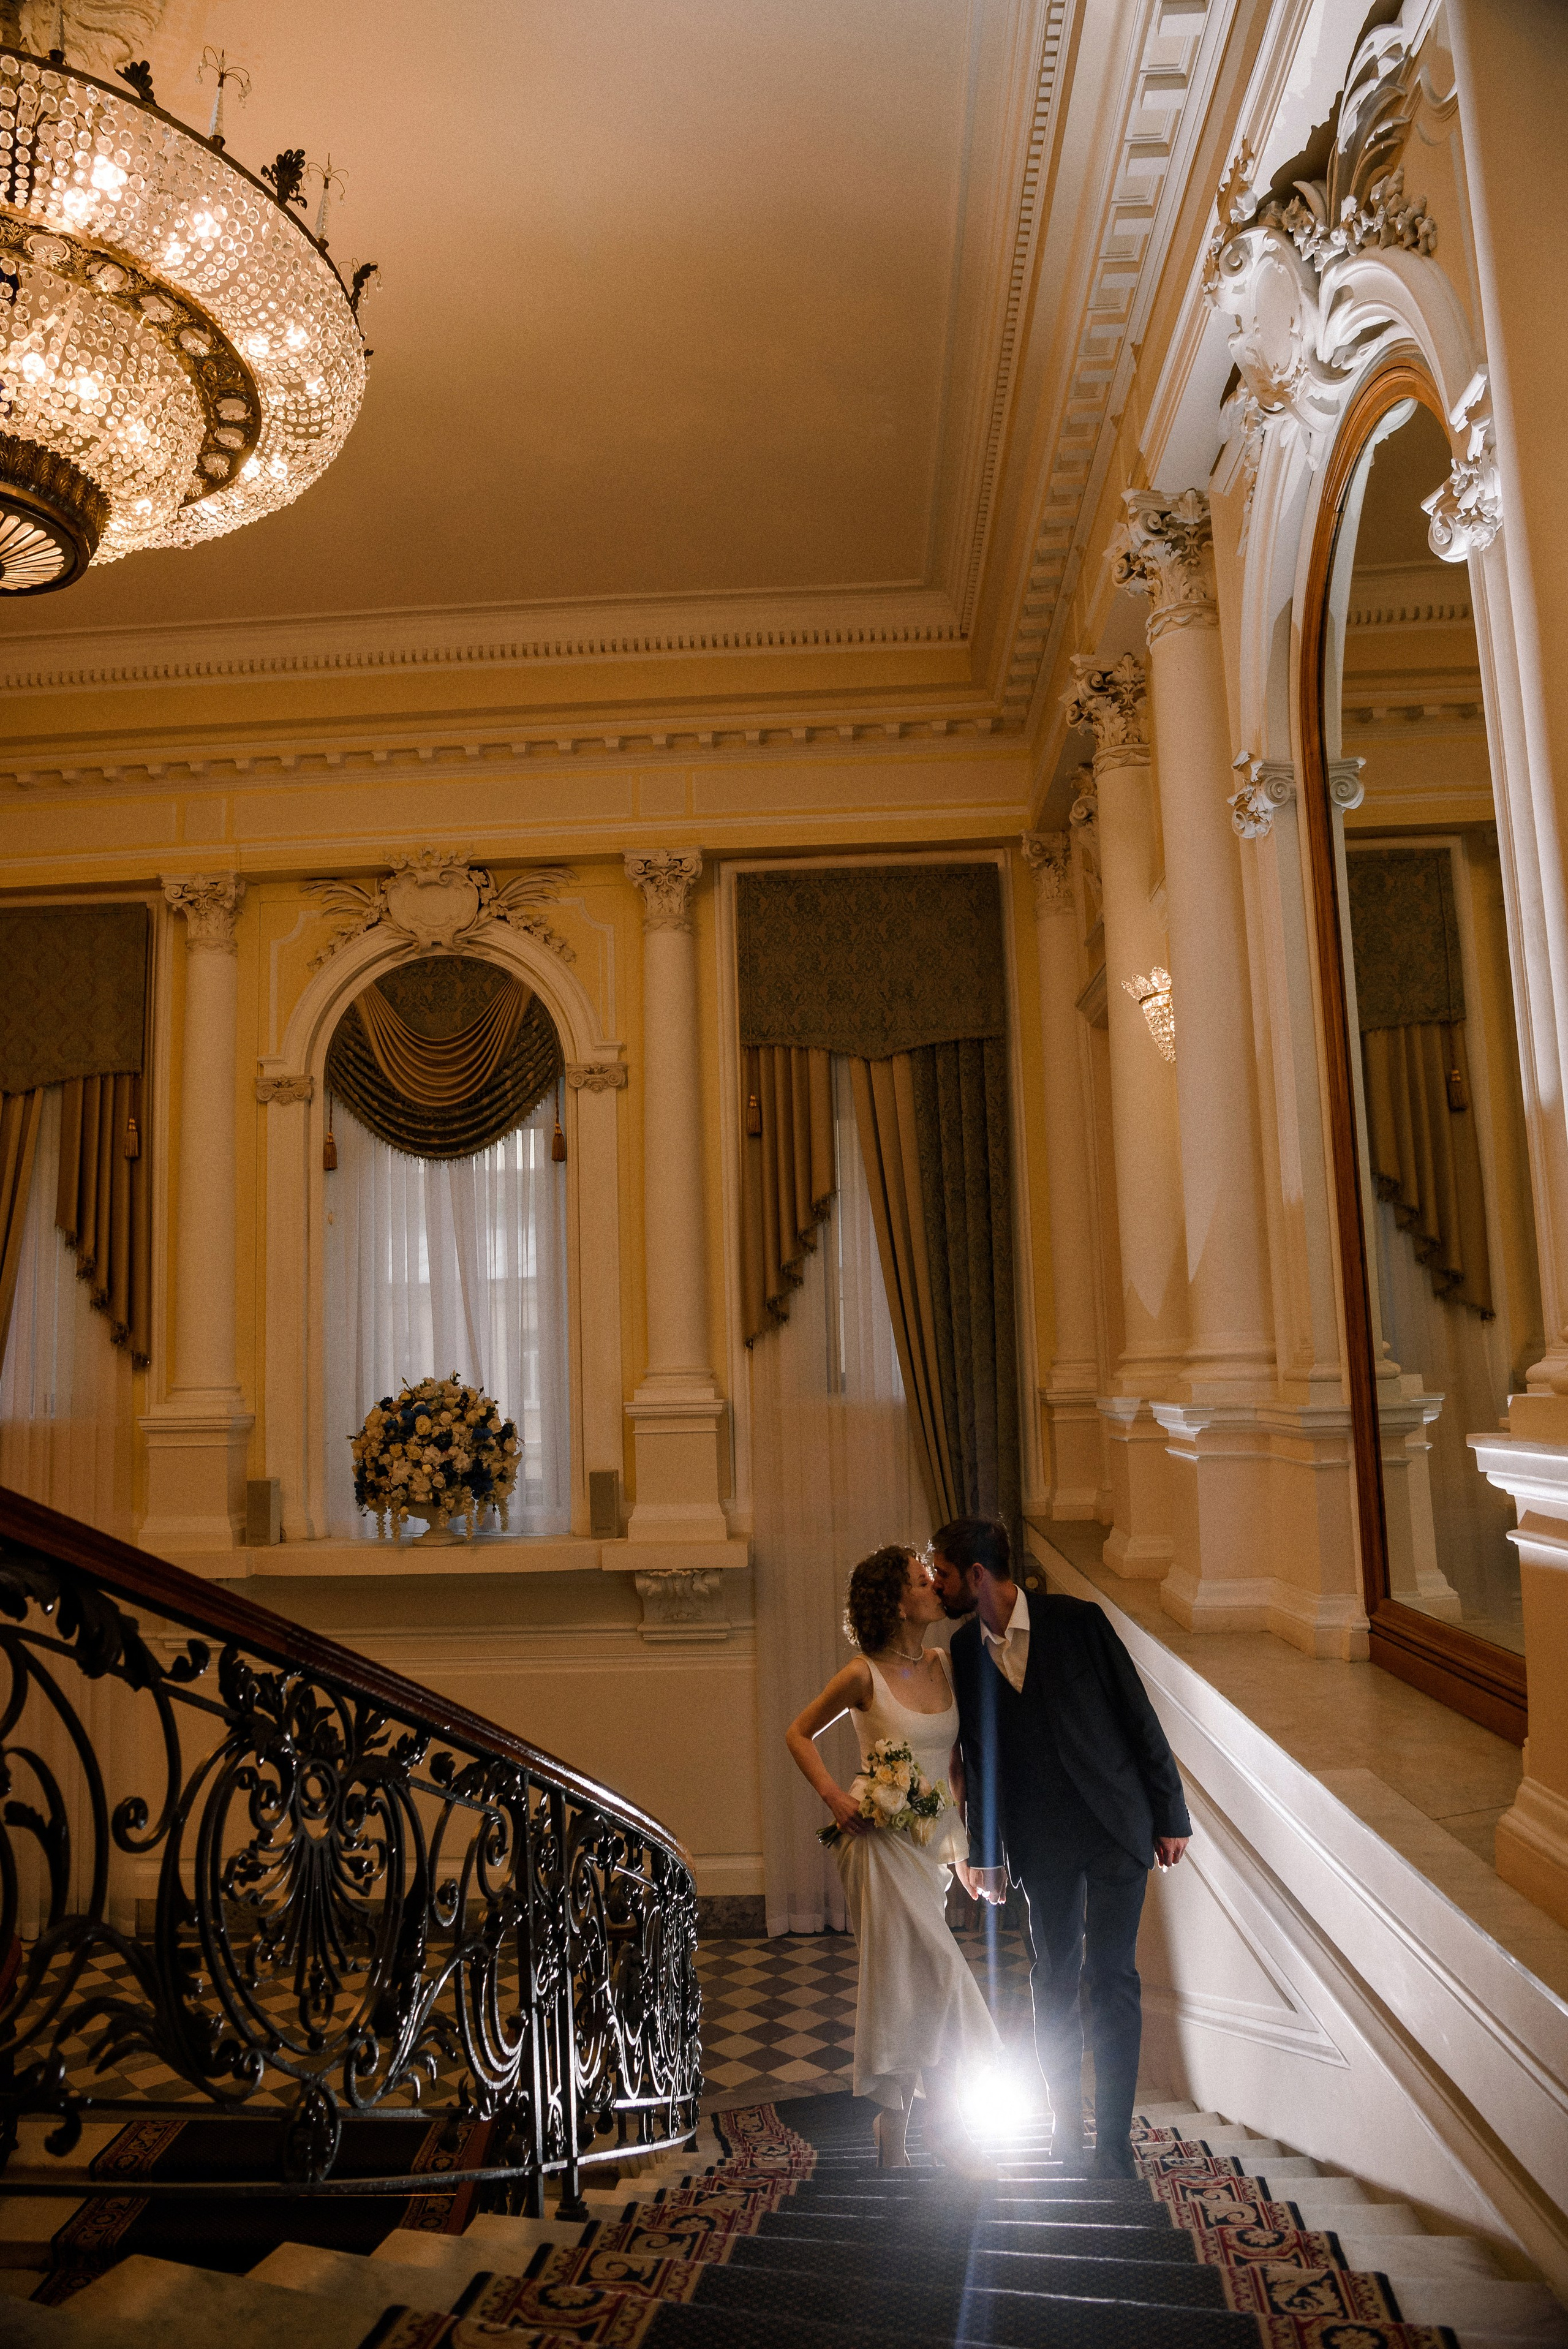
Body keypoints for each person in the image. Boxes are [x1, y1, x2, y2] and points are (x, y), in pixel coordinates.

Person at [930, 1516, 1191, 2179]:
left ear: (978, 1575)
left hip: (1115, 1828)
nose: (937, 1584)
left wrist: (1171, 1814)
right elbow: (980, 1756)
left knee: (1112, 1979)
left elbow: (1138, 1716)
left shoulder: (1079, 1621)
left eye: (944, 1572)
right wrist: (985, 1851)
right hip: (1040, 1841)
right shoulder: (963, 1649)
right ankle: (1065, 2128)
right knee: (1051, 1979)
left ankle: (1113, 2143)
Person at [785, 1542, 1002, 2173]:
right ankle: (952, 2124)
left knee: (908, 1985)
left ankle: (895, 2123)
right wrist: (832, 1795)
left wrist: (962, 1854)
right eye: (919, 1579)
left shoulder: (942, 1660)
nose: (935, 1584)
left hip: (931, 1845)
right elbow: (797, 1733)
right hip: (875, 1842)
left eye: (933, 1577)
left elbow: (955, 1768)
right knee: (938, 1972)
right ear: (896, 1600)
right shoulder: (861, 1674)